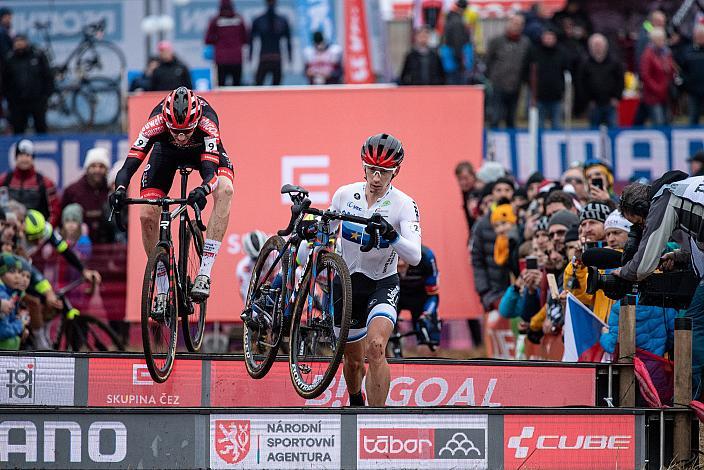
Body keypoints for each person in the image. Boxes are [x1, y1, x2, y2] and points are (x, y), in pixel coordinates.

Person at [109, 87, 234, 305]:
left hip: (203, 153)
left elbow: (210, 174)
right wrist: (119, 189)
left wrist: (204, 188)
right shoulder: (155, 123)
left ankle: (204, 272)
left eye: (186, 130)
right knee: (146, 214)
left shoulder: (208, 123)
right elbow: (128, 166)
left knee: (225, 189)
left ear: (196, 121)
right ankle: (163, 287)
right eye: (176, 131)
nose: (182, 136)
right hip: (165, 155)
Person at [330, 133, 421, 407]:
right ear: (364, 167)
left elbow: (414, 256)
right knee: (354, 360)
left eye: (384, 172)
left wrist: (393, 236)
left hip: (382, 282)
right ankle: (356, 400)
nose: (377, 178)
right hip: (346, 283)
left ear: (396, 172)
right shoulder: (345, 194)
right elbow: (324, 233)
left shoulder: (404, 204)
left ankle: (376, 420)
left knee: (376, 348)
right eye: (372, 170)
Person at [24, 209, 100, 285]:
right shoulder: (17, 237)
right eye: (34, 239)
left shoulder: (47, 230)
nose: (39, 241)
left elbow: (65, 250)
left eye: (41, 236)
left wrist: (83, 270)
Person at [0, 139, 60, 227]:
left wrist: (45, 231)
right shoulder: (3, 181)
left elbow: (55, 212)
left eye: (28, 155)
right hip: (9, 232)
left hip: (37, 233)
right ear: (16, 158)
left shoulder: (46, 183)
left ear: (32, 158)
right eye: (21, 155)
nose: (24, 159)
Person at [2, 35, 53, 134]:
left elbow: (47, 76)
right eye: (17, 42)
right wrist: (9, 98)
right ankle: (19, 148)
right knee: (18, 129)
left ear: (26, 42)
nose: (19, 44)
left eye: (22, 41)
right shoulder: (9, 59)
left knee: (40, 128)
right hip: (17, 102)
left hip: (37, 100)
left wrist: (45, 96)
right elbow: (5, 81)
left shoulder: (37, 56)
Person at [485, 13, 530, 128]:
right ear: (509, 23)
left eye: (520, 24)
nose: (517, 26)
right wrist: (492, 77)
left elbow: (526, 63)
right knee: (496, 116)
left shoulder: (525, 43)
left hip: (516, 85)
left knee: (511, 118)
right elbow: (489, 60)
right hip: (498, 84)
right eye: (515, 23)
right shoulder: (496, 41)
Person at [61, 147, 113, 244]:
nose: (97, 170)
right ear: (87, 168)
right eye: (93, 166)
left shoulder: (110, 190)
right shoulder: (72, 191)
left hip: (106, 248)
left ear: (106, 170)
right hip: (79, 248)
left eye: (101, 166)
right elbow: (62, 221)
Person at [523, 27, 569, 129]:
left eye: (551, 37)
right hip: (538, 96)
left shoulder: (562, 53)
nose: (548, 39)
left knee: (556, 125)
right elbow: (526, 70)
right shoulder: (534, 52)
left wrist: (561, 88)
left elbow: (567, 71)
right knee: (538, 125)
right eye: (546, 37)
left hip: (556, 96)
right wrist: (531, 85)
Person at [397, 245, 440, 347]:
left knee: (428, 340)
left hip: (420, 297)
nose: (401, 263)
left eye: (404, 259)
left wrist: (427, 314)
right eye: (398, 258)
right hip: (396, 295)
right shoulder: (385, 253)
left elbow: (433, 295)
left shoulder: (426, 256)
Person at [580, 34, 624, 129]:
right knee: (593, 130)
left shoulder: (614, 62)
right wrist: (588, 100)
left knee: (613, 129)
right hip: (594, 104)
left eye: (600, 45)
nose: (598, 48)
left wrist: (617, 97)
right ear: (590, 47)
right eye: (595, 45)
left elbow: (620, 81)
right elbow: (582, 84)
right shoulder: (585, 63)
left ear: (605, 46)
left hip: (611, 103)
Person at [205, 0, 248, 87]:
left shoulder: (215, 20)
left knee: (221, 87)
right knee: (237, 87)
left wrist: (218, 40)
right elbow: (245, 38)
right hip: (236, 58)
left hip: (221, 59)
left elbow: (208, 39)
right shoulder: (239, 19)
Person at [638, 28, 675, 126]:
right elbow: (645, 75)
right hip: (653, 96)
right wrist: (657, 88)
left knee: (667, 121)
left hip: (665, 95)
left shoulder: (666, 53)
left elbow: (671, 70)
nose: (662, 41)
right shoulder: (648, 55)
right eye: (660, 39)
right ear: (653, 40)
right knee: (659, 122)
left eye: (663, 39)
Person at [250, 0, 291, 86]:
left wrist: (290, 57)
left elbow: (288, 41)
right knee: (259, 87)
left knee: (275, 89)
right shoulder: (260, 20)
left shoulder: (280, 20)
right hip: (267, 57)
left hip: (272, 57)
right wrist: (250, 57)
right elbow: (251, 40)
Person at [0, 254, 28, 350]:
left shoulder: (11, 294)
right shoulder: (3, 296)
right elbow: (2, 331)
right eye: (12, 272)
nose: (18, 276)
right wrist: (20, 323)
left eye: (19, 272)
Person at [678, 24, 704, 125]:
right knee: (693, 118)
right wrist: (686, 84)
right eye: (698, 36)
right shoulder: (687, 51)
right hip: (693, 92)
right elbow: (681, 70)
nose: (700, 38)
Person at [442, 0, 470, 85]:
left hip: (450, 60)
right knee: (458, 86)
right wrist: (460, 60)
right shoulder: (457, 21)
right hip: (456, 61)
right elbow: (457, 42)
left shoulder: (450, 19)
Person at [237, 230, 267, 301]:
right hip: (258, 293)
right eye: (255, 259)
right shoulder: (243, 267)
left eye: (263, 256)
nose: (260, 261)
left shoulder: (275, 254)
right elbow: (246, 294)